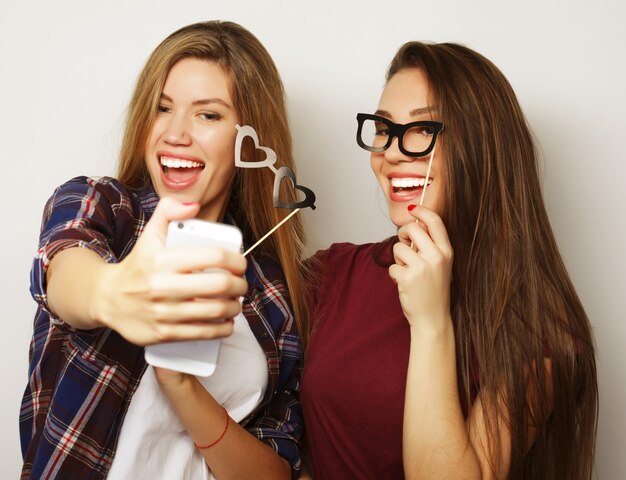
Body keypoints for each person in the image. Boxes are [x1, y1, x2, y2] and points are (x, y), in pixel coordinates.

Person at [20, 21, 307, 480]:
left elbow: (276, 471)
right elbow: (64, 269)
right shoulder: (101, 205)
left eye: (207, 115)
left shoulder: (274, 296)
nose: (174, 133)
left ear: (250, 141)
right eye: (162, 108)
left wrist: (181, 383)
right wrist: (113, 294)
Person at [301, 41, 598, 479]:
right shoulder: (330, 275)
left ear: (481, 145)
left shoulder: (540, 330)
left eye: (423, 129)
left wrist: (431, 323)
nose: (393, 153)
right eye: (383, 129)